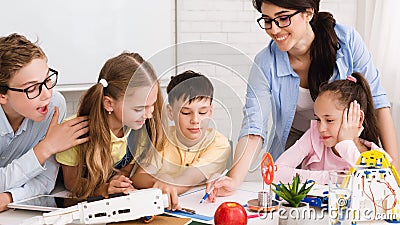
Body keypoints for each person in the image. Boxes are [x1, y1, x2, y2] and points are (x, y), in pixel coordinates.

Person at [208, 0, 399, 199]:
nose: (274, 29)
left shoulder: (347, 41)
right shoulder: (265, 62)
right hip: (296, 138)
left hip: (345, 136)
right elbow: (255, 128)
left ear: (308, 13)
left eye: (283, 18)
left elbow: (378, 103)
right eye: (267, 20)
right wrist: (234, 178)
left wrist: (395, 176)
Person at [56, 52, 166, 200]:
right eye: (139, 109)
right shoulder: (74, 132)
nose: (149, 115)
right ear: (109, 104)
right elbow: (71, 184)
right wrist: (104, 188)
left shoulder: (139, 131)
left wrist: (120, 183)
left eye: (151, 106)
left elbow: (124, 172)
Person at [0, 33, 89, 212]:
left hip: (23, 210)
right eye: (32, 88)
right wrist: (45, 148)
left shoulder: (54, 106)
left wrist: (9, 197)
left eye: (47, 80)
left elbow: (45, 182)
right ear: (2, 95)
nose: (47, 94)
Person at [131, 70, 231, 210]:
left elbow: (188, 179)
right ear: (171, 112)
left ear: (210, 111)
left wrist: (167, 183)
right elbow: (138, 177)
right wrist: (158, 180)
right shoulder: (162, 139)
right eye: (185, 112)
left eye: (202, 112)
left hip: (203, 209)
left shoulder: (219, 144)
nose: (195, 120)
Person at [274, 73, 388, 184]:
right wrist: (333, 177)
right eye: (318, 119)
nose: (321, 128)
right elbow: (276, 172)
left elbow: (372, 186)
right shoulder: (314, 136)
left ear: (357, 118)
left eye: (329, 120)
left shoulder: (375, 156)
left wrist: (346, 143)